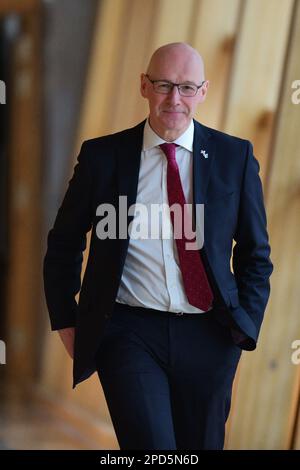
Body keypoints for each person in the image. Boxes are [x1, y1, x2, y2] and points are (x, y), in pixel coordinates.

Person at [43, 42, 273, 450]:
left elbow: (256, 253)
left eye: (187, 88)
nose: (174, 99)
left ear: (203, 92)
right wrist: (66, 318)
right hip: (129, 333)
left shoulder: (233, 157)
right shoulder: (103, 157)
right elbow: (64, 241)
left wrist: (242, 327)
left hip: (211, 334)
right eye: (164, 85)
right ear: (144, 86)